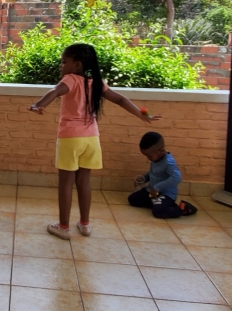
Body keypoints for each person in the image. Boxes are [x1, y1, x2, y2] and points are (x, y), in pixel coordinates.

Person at [29, 43, 161, 240]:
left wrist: (37, 105)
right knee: (84, 181)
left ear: (77, 65)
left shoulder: (70, 79)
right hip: (91, 139)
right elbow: (121, 99)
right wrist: (144, 115)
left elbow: (54, 92)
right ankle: (85, 224)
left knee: (66, 183)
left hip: (70, 138)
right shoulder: (95, 83)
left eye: (64, 62)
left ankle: (63, 227)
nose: (61, 65)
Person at [128, 132, 198, 219]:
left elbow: (177, 178)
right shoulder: (156, 158)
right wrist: (143, 178)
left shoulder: (169, 162)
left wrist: (157, 187)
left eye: (150, 156)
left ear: (161, 151)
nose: (148, 159)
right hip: (152, 191)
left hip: (166, 194)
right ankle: (158, 203)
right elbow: (154, 173)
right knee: (133, 199)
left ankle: (181, 208)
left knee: (158, 212)